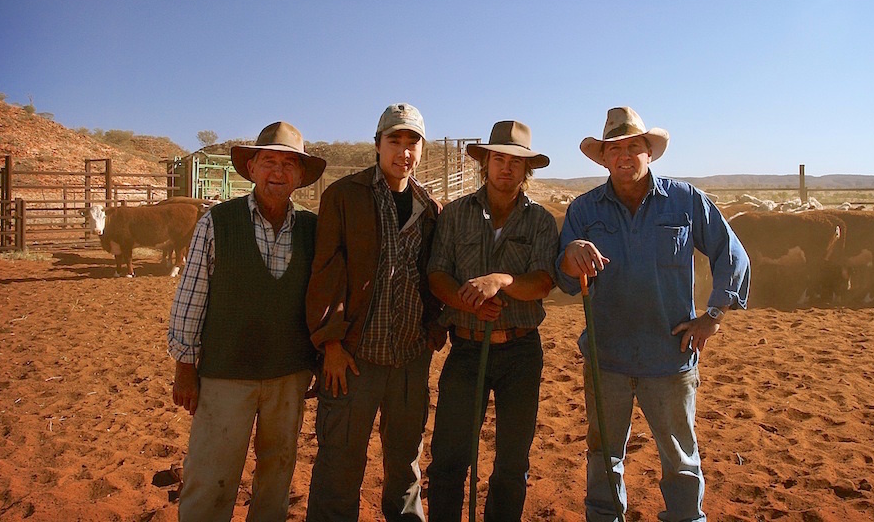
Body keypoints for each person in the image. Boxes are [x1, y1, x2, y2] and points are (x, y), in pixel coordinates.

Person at [556, 106, 750, 522]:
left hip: (670, 355)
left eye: (634, 147)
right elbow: (566, 278)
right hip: (607, 357)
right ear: (603, 158)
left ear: (649, 152)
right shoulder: (584, 211)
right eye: (614, 149)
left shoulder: (684, 200)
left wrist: (713, 315)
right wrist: (571, 256)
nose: (624, 156)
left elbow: (730, 252)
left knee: (680, 457)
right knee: (603, 455)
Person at [168, 120, 327, 522]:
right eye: (269, 162)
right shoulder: (217, 222)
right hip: (226, 373)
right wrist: (185, 366)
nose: (278, 172)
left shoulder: (312, 227)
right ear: (252, 168)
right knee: (211, 475)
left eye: (289, 164)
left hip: (289, 375)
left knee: (276, 473)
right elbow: (191, 296)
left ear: (301, 175)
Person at [306, 103, 444, 522]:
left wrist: (432, 331)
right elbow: (326, 271)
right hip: (354, 357)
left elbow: (433, 274)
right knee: (340, 463)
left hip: (408, 358)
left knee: (404, 463)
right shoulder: (344, 196)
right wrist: (331, 342)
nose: (404, 151)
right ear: (377, 145)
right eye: (395, 141)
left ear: (422, 150)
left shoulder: (430, 208)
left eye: (412, 143)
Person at [426, 120, 559, 522]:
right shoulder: (454, 215)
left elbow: (542, 282)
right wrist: (468, 304)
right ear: (485, 163)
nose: (507, 168)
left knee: (512, 463)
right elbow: (436, 275)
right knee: (449, 457)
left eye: (516, 162)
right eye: (499, 159)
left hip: (521, 350)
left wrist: (500, 281)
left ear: (526, 170)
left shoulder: (540, 221)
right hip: (467, 349)